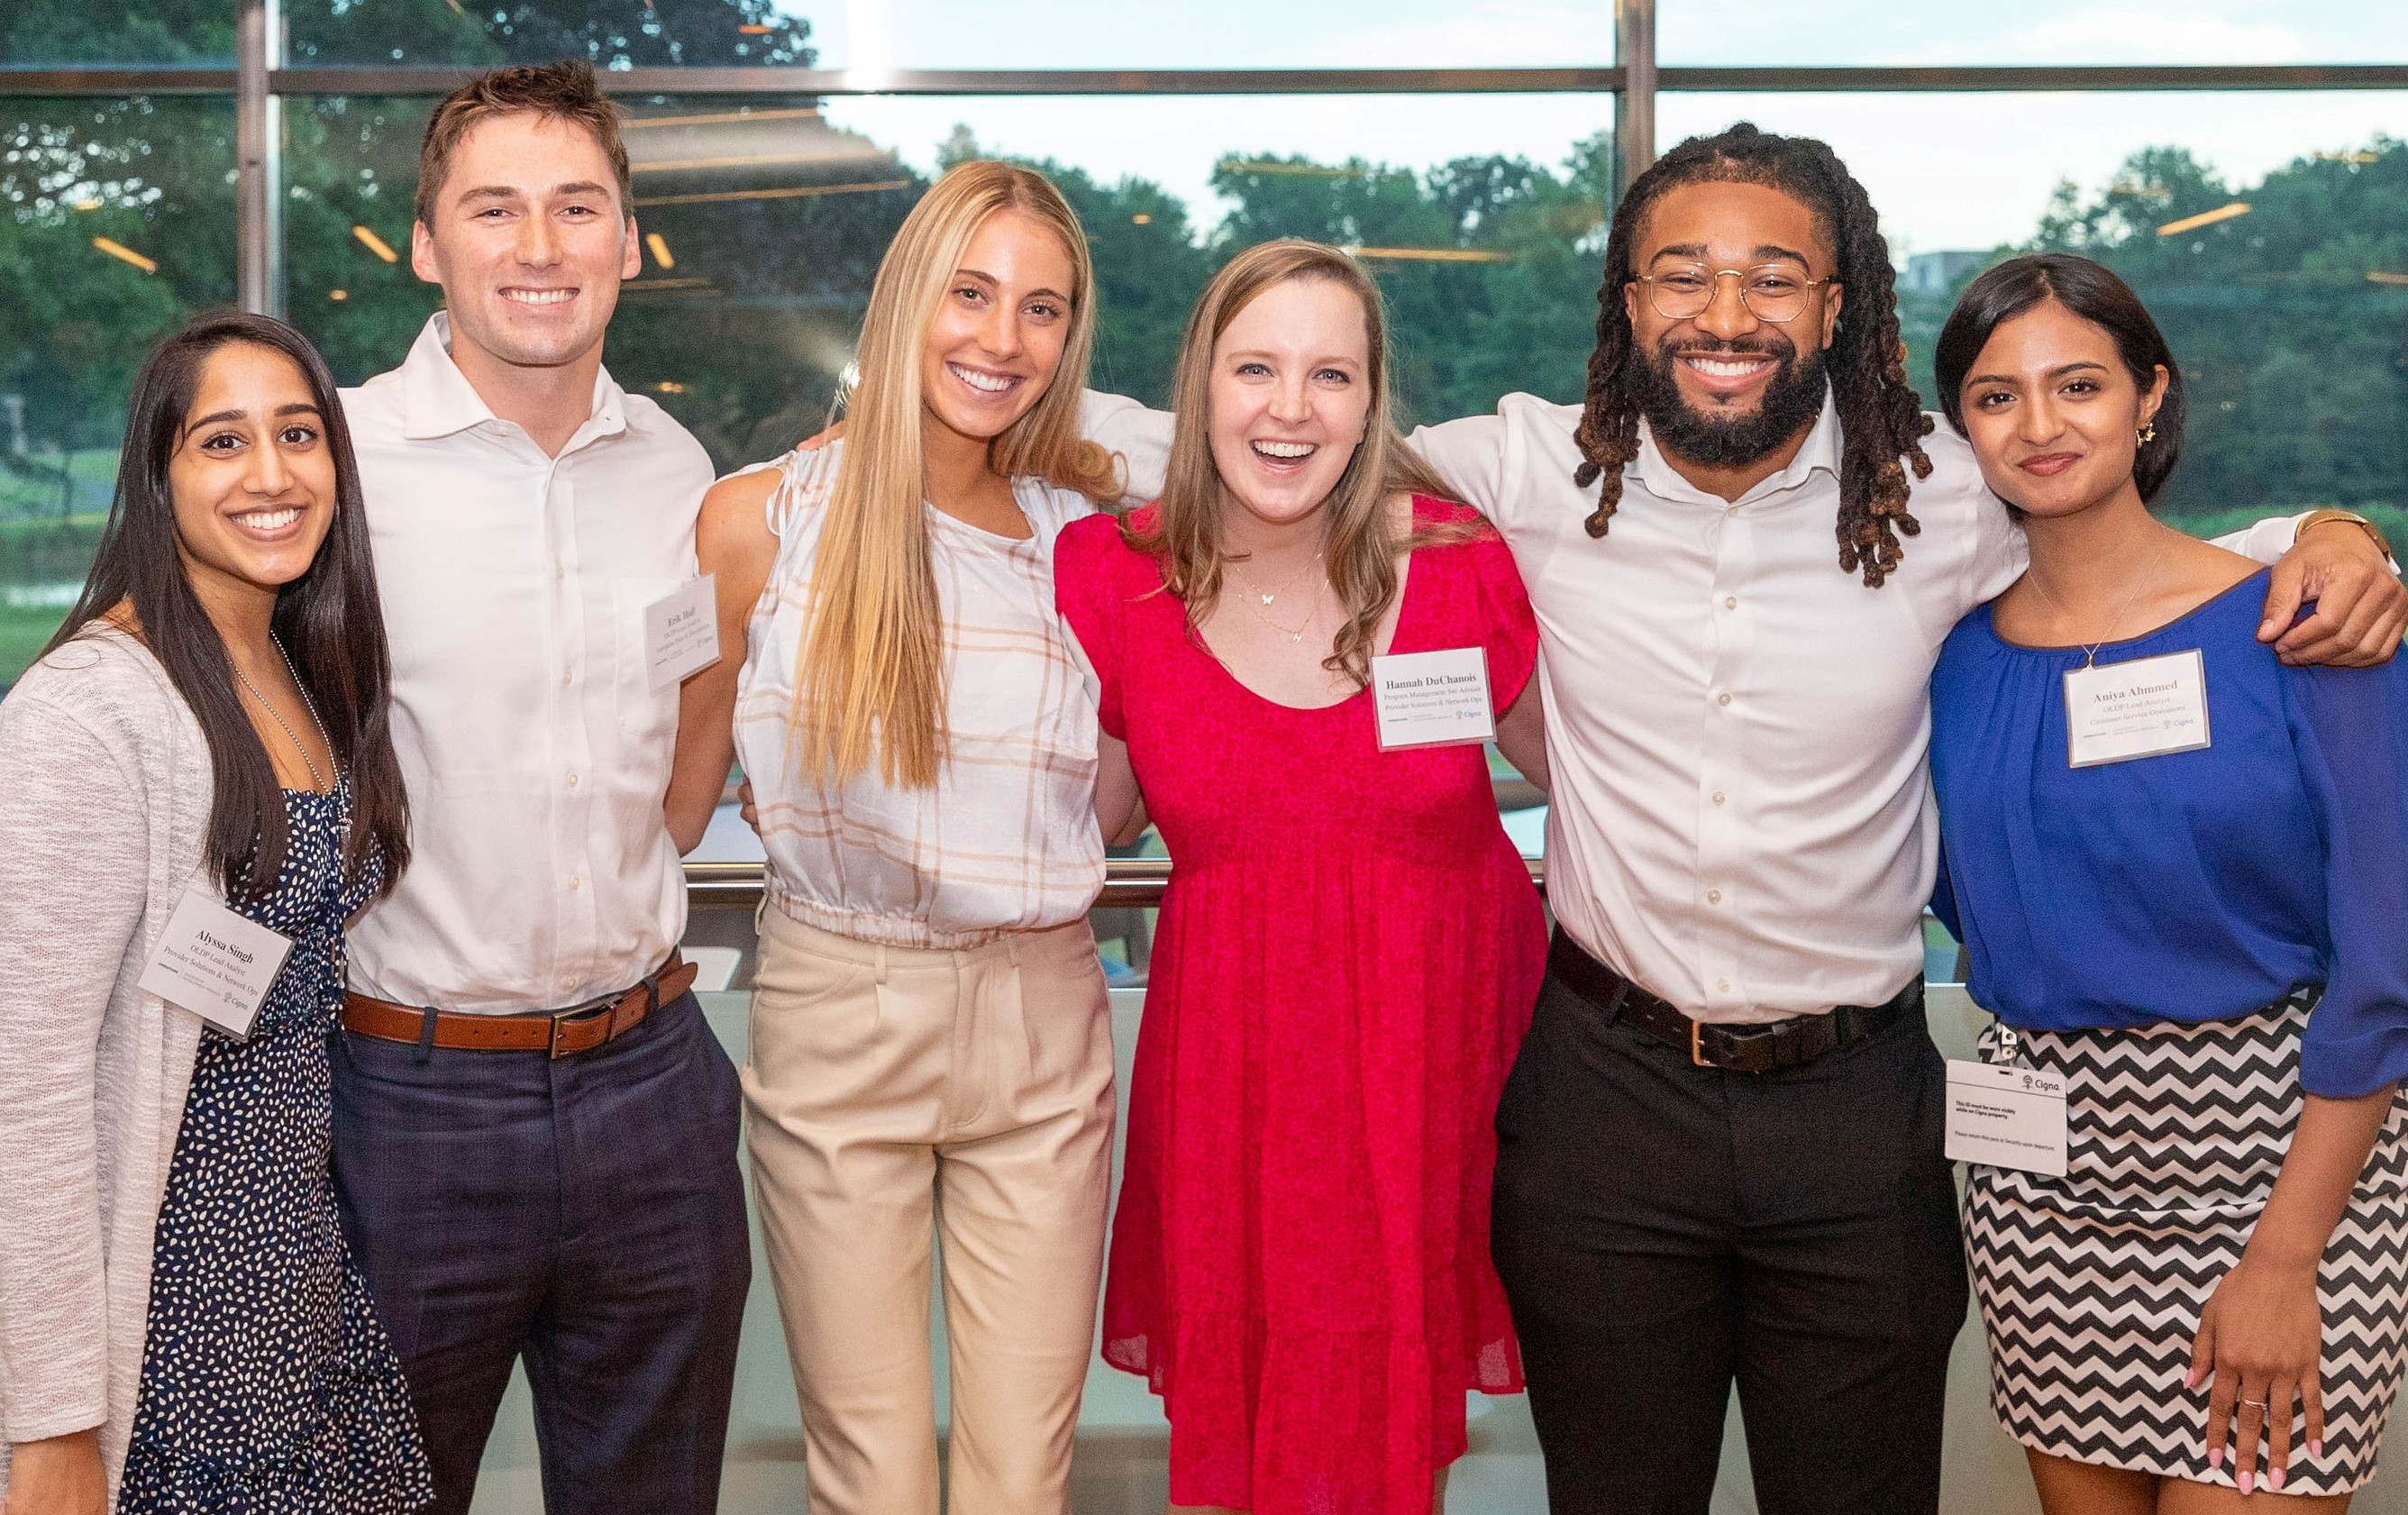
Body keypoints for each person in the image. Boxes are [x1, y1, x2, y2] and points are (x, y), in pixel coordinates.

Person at [1081, 122, 2404, 1514]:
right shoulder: (1521, 472)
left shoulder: (1944, 488)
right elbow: (1279, 433)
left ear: (1836, 310)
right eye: (1683, 276)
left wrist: (2333, 537)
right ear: (1630, 302)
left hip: (1857, 1115)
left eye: (1775, 278)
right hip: (1604, 1102)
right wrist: (1006, 447)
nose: (1727, 314)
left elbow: (2149, 551)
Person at [1054, 238, 1550, 1515]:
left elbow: (1602, 793)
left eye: (1330, 373)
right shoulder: (1115, 578)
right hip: (1236, 1103)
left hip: (1428, 1097)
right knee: (1245, 1457)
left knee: (1396, 1444)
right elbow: (1080, 824)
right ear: (1200, 384)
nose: (1289, 407)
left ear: (1373, 399)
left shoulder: (1459, 566)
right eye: (1256, 367)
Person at [673, 160, 1124, 1515]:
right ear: (902, 298)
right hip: (838, 997)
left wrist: (1020, 847)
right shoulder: (762, 518)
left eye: (1041, 309)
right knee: (867, 1476)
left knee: (1020, 1480)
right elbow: (685, 788)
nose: (1001, 339)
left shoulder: (1085, 539)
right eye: (969, 293)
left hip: (1045, 1008)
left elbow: (1117, 773)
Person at [327, 60, 747, 1515]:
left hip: (654, 1088)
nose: (539, 245)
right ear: (426, 246)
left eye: (577, 208)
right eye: (493, 209)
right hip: (407, 1096)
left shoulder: (673, 465)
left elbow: (679, 767)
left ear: (630, 242)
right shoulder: (337, 466)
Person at [1928, 251, 2408, 1512]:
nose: (2039, 425)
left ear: (2151, 395)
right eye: (1995, 396)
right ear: (1961, 429)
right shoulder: (1955, 668)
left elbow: (2387, 962)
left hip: (2283, 1171)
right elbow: (1964, 907)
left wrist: (2288, 1254)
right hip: (2048, 1198)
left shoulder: (2305, 625)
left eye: (2077, 383)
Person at [0, 314, 424, 1511]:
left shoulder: (292, 663)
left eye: (299, 434)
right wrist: (53, 1420)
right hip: (163, 1310)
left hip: (294, 1282)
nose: (272, 474)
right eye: (223, 441)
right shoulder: (87, 715)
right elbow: (23, 1089)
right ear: (157, 473)